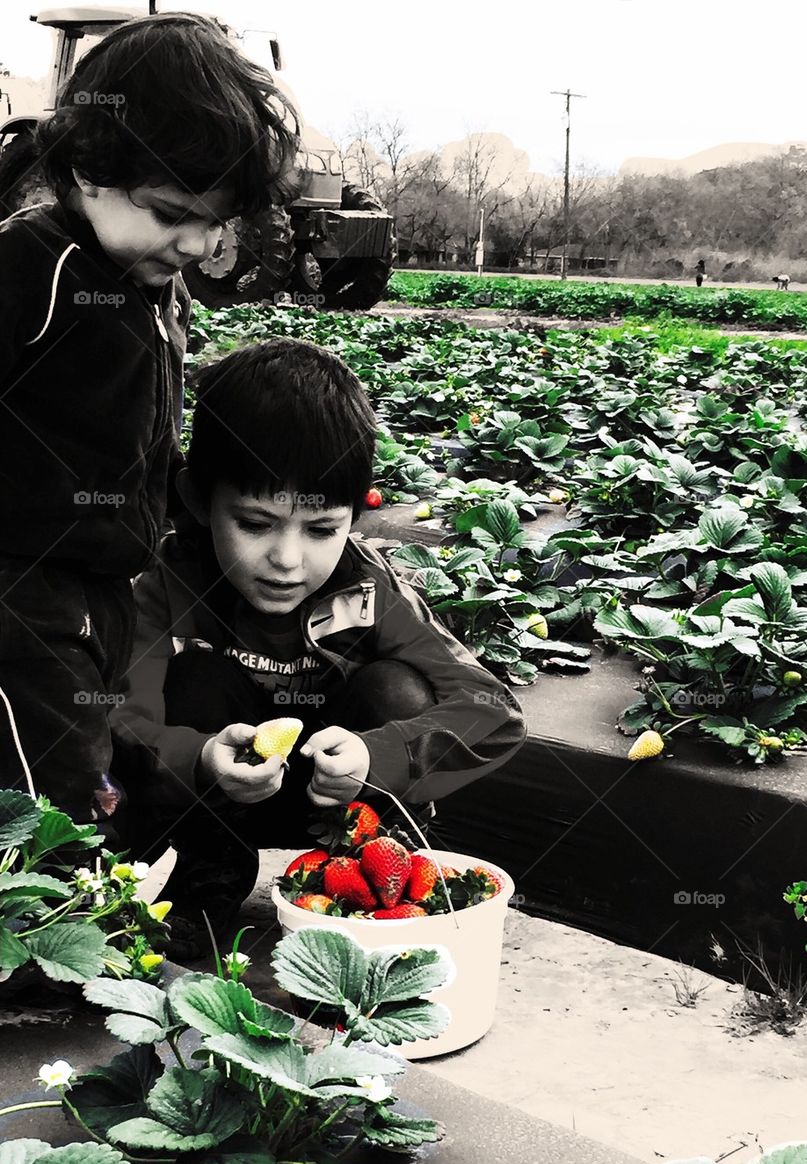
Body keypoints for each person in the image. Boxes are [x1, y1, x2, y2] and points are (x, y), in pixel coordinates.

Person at [110, 338, 528, 957]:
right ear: (199, 501)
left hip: (338, 804)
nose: (286, 560)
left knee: (398, 687)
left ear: (358, 515)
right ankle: (205, 879)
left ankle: (370, 881)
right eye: (254, 524)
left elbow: (496, 713)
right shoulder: (164, 583)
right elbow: (120, 722)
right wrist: (199, 758)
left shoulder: (369, 587)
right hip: (220, 796)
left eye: (321, 529)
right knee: (194, 678)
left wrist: (375, 756)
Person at [0, 14, 297, 839]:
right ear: (90, 169)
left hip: (103, 584)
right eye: (174, 214)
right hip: (20, 592)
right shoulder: (30, 263)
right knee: (42, 796)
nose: (199, 243)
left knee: (86, 761)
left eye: (215, 222)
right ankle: (43, 958)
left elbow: (147, 438)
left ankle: (86, 928)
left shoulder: (151, 278)